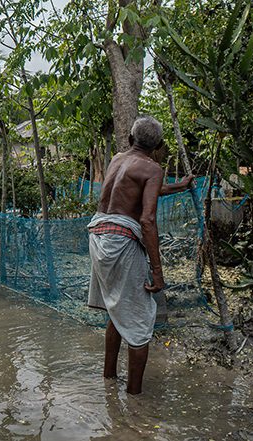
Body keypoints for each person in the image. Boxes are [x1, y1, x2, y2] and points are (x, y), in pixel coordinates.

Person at [87, 115, 194, 394]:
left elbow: (137, 191)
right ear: (157, 145)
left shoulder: (117, 159)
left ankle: (109, 379)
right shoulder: (152, 168)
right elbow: (147, 220)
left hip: (99, 236)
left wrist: (178, 186)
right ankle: (135, 402)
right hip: (120, 242)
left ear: (131, 140)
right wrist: (158, 272)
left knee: (118, 308)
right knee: (139, 321)